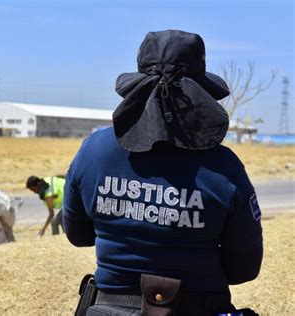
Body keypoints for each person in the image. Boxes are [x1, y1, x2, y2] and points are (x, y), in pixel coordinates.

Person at [63, 30, 263, 315]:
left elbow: (79, 235)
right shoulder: (224, 167)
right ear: (200, 93)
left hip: (108, 307)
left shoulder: (94, 150)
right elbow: (243, 268)